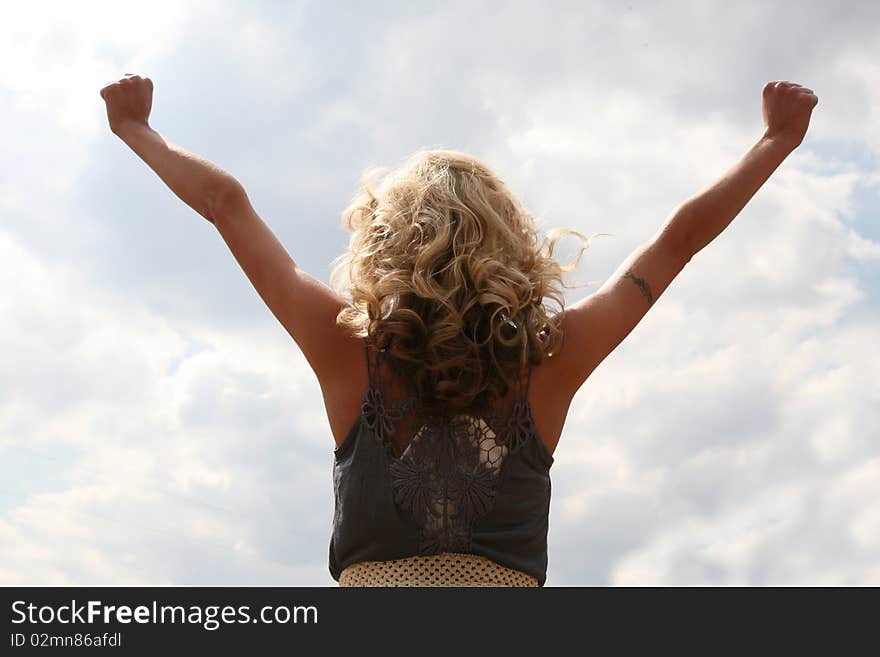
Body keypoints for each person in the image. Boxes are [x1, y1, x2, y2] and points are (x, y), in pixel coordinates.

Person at [99, 75, 818, 586]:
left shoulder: (344, 347)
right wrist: (775, 141)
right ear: (507, 239)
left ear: (385, 239)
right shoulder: (549, 363)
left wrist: (139, 129)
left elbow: (228, 204)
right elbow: (677, 241)